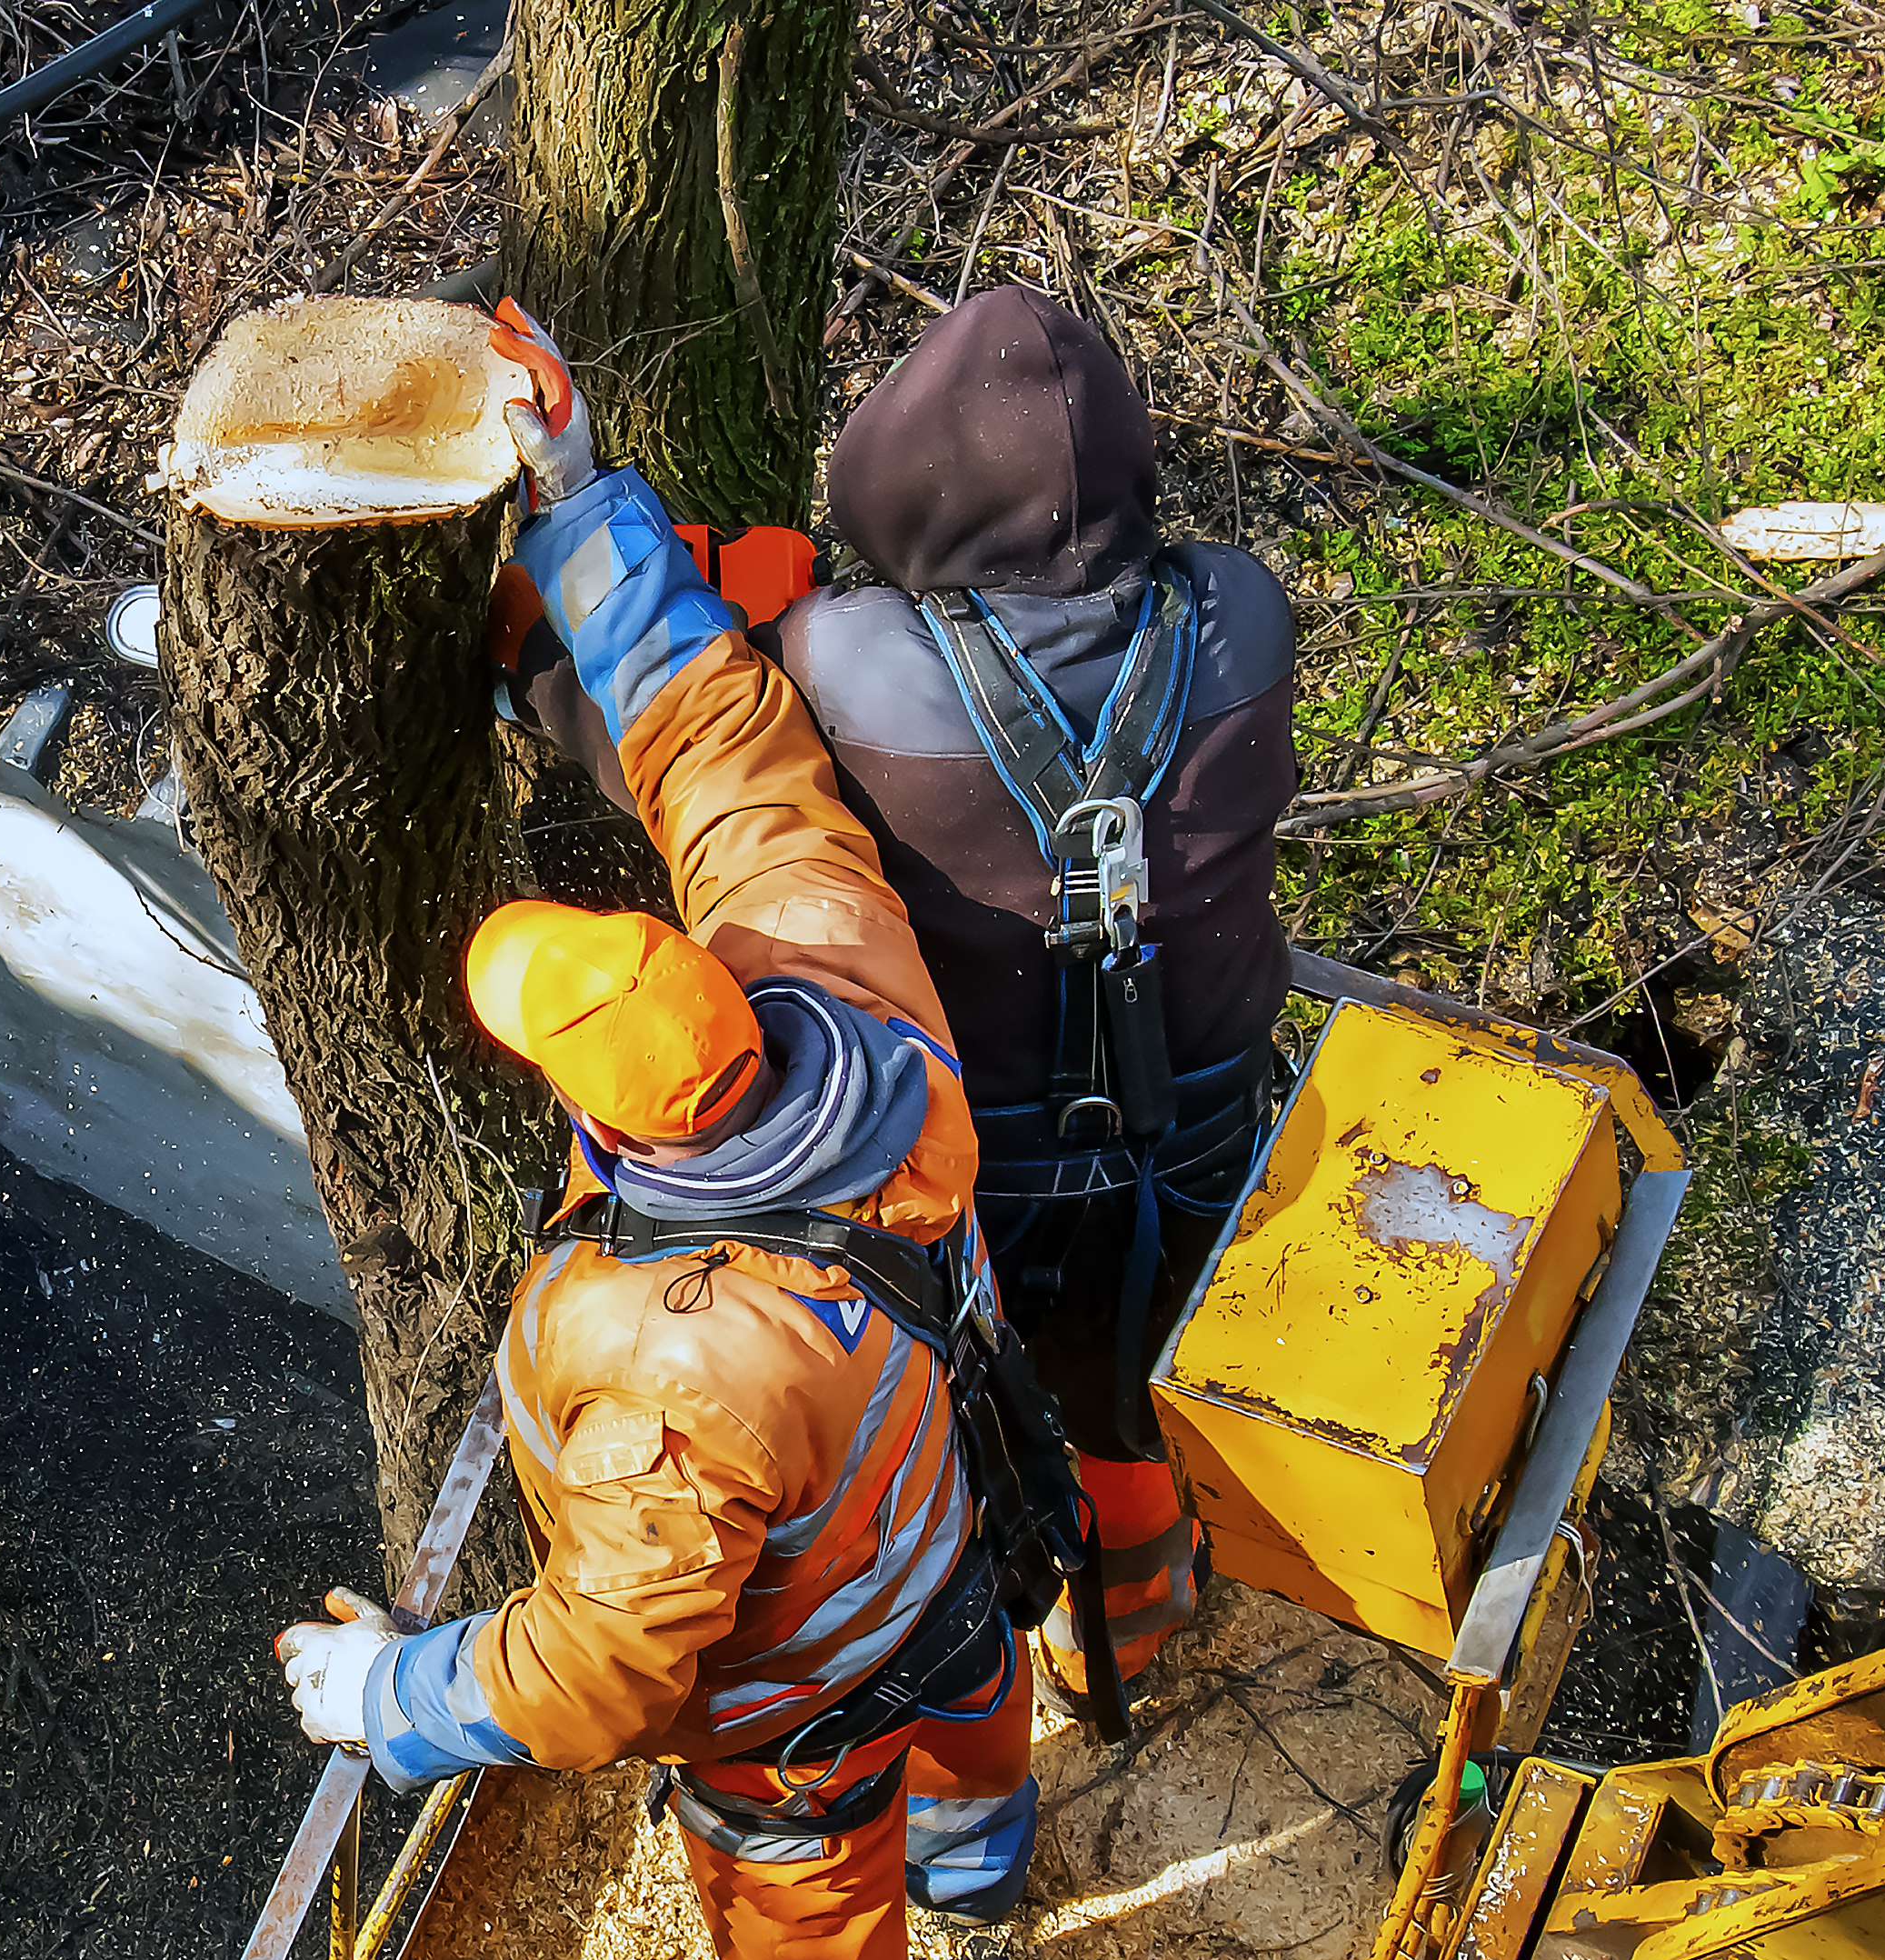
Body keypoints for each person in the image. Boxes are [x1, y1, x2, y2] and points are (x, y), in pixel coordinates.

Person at [275, 307, 1033, 1960]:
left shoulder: (660, 1368)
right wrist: (578, 491)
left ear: (608, 1123)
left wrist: (397, 1700)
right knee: (964, 1699)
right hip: (945, 1519)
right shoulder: (824, 960)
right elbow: (716, 735)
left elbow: (606, 1664)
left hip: (802, 1689)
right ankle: (987, 1848)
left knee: (797, 1886)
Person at [499, 287, 1300, 1712]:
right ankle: (1146, 1594)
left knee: (999, 1402)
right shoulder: (1237, 608)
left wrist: (552, 633)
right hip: (1204, 1119)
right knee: (1139, 1376)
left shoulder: (854, 659)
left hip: (978, 1150)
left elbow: (708, 762)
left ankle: (1027, 1631)